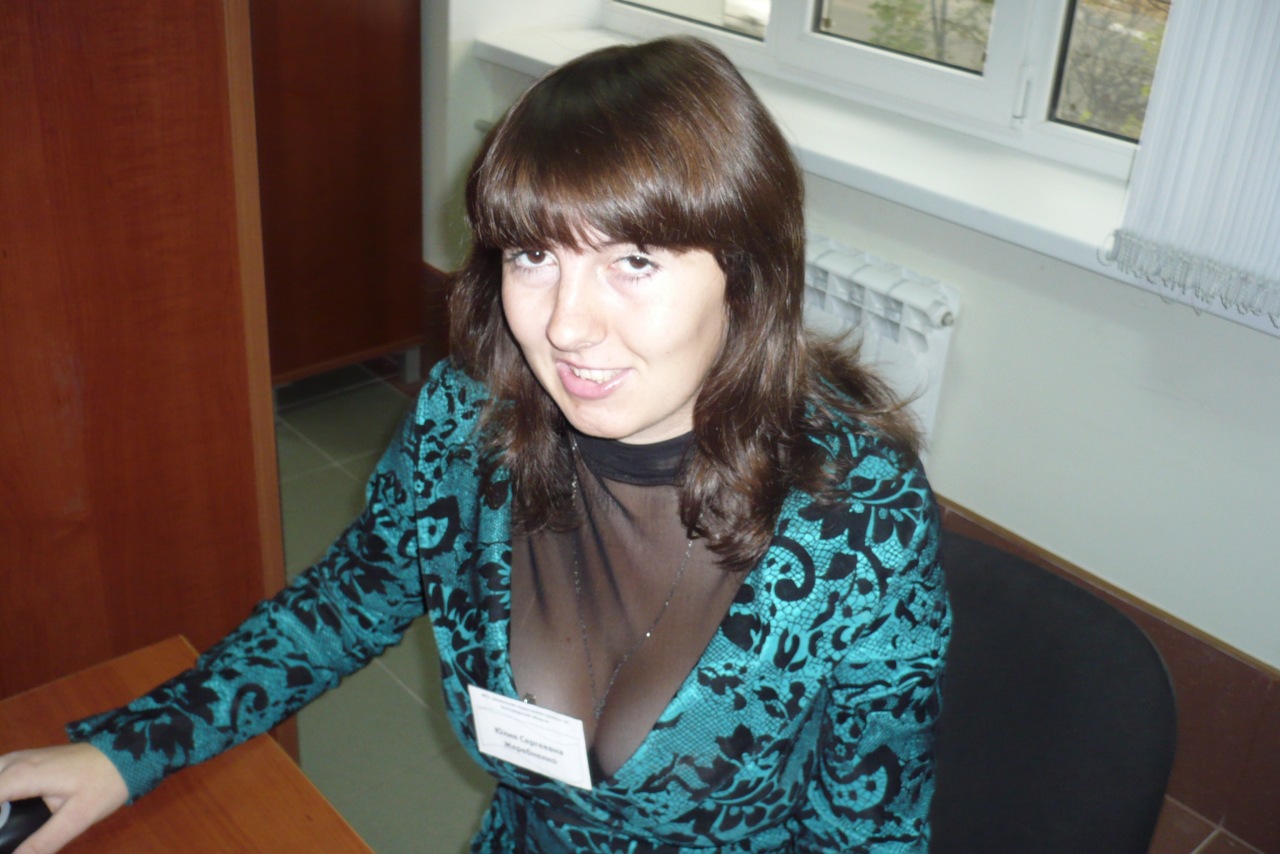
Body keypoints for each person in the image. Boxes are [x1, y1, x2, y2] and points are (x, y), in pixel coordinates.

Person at [0, 36, 949, 852]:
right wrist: (129, 750)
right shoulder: (469, 426)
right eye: (534, 255)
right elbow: (344, 604)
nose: (567, 326)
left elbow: (869, 832)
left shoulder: (861, 519)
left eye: (633, 260)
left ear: (747, 277)